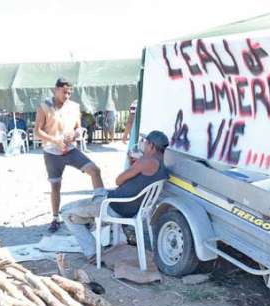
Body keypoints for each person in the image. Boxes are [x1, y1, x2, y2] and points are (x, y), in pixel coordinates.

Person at [62, 130, 169, 259]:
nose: (143, 145)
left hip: (114, 206)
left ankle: (93, 253)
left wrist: (134, 164)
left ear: (151, 145)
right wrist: (134, 165)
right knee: (97, 189)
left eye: (145, 143)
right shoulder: (162, 166)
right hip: (126, 206)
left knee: (66, 212)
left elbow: (118, 180)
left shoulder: (146, 161)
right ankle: (88, 220)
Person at [35, 77, 105, 233]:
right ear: (56, 89)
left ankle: (100, 208)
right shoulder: (44, 106)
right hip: (52, 152)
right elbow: (37, 131)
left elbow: (78, 127)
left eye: (69, 93)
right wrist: (55, 141)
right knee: (55, 185)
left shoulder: (74, 106)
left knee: (95, 170)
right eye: (64, 92)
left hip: (70, 149)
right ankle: (55, 218)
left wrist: (76, 134)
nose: (67, 96)